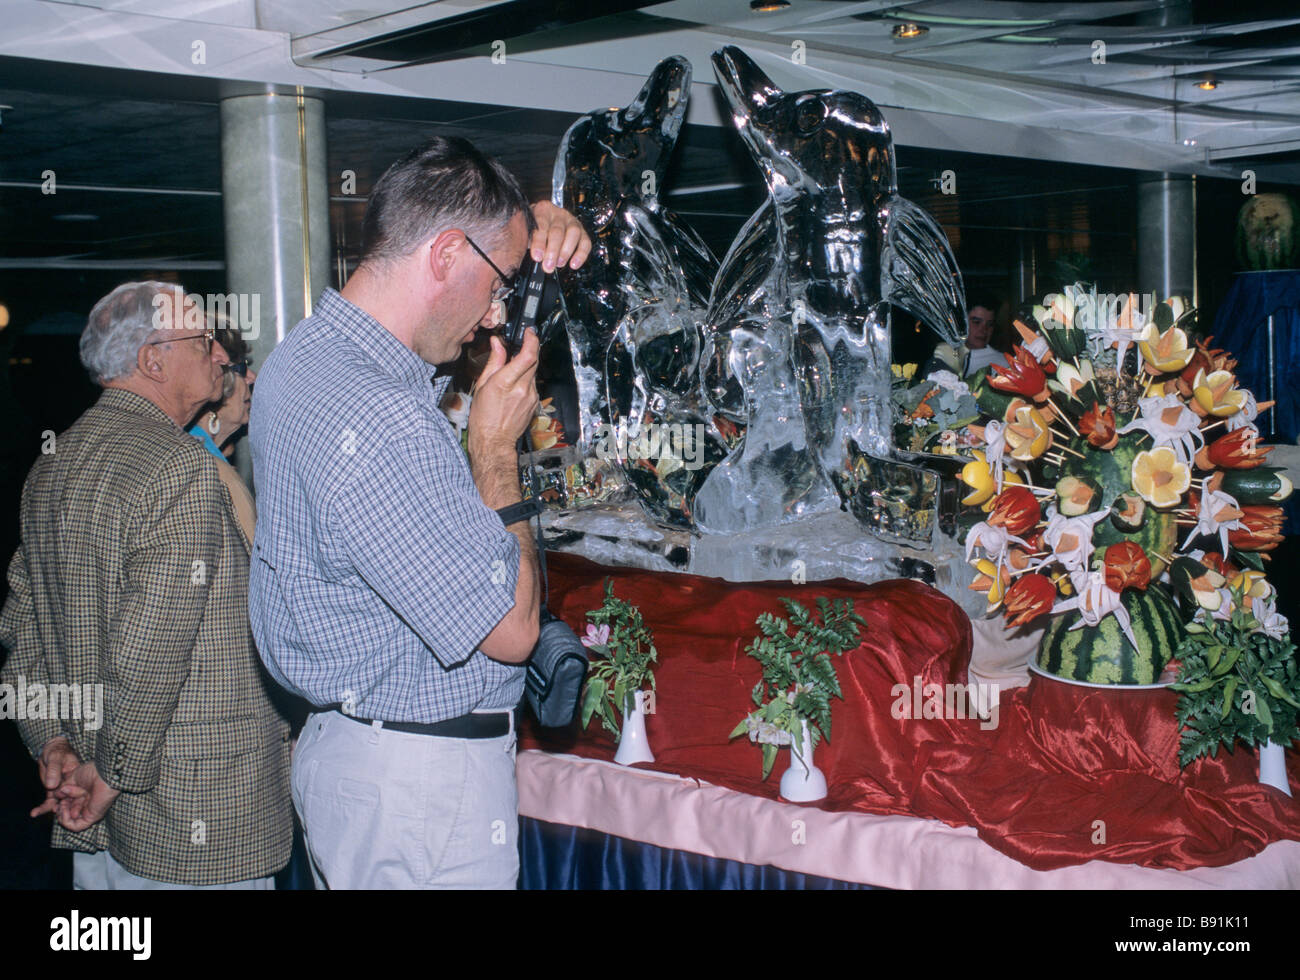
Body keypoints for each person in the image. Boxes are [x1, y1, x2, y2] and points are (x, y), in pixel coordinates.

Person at [248, 136, 591, 889]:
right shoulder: (380, 414)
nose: (494, 313)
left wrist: (528, 226)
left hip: (356, 753)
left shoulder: (303, 357)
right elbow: (510, 633)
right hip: (422, 785)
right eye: (496, 284)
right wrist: (496, 450)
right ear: (444, 254)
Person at [0, 281, 292, 889]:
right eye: (204, 341)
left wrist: (50, 739)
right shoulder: (177, 465)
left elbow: (22, 625)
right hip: (190, 820)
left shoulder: (50, 463)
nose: (219, 355)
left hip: (90, 807)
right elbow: (150, 652)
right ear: (152, 360)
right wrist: (111, 776)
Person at [926, 291, 1004, 378]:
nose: (984, 330)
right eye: (976, 322)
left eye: (990, 324)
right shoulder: (943, 355)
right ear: (963, 322)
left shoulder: (1003, 363)